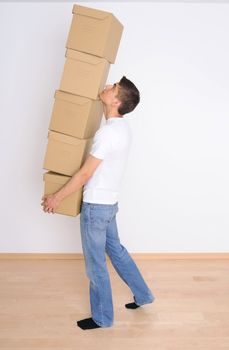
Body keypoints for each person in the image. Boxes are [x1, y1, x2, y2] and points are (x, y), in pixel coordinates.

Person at [41, 76, 155, 330]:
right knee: (117, 252)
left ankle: (103, 318)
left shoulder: (107, 134)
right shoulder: (122, 129)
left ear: (115, 101)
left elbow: (84, 174)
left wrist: (56, 198)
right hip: (110, 204)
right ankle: (144, 295)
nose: (106, 86)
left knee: (96, 265)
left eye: (112, 87)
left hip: (96, 208)